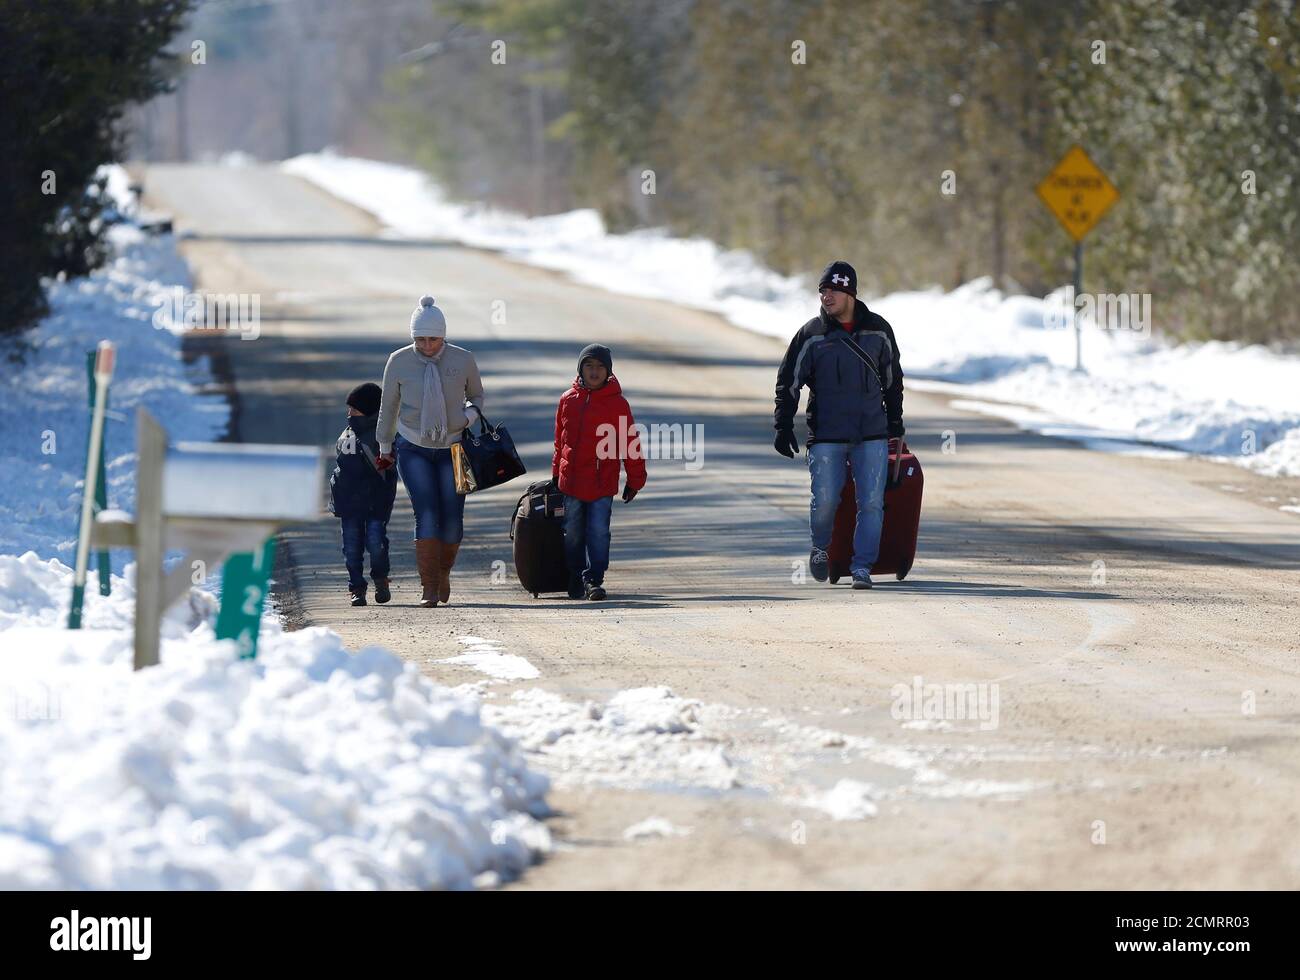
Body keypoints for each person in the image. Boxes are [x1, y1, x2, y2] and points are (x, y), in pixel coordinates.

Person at [773, 260, 904, 590]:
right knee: (826, 500)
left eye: (833, 290)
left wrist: (895, 425)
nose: (826, 296)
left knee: (872, 502)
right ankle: (820, 548)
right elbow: (788, 380)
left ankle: (862, 567)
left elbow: (892, 381)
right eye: (822, 290)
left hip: (871, 433)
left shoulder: (878, 330)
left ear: (850, 293)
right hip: (826, 435)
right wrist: (783, 425)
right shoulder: (811, 335)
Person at [375, 295, 484, 608]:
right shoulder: (398, 361)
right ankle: (429, 588)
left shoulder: (463, 359)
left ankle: (443, 571)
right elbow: (389, 406)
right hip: (412, 446)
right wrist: (385, 445)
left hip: (455, 447)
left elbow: (476, 395)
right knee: (427, 512)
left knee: (453, 518)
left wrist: (468, 417)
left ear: (444, 335)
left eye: (433, 339)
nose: (427, 346)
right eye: (420, 339)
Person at [552, 343, 647, 600]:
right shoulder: (567, 400)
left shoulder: (617, 404)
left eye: (600, 367)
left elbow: (630, 443)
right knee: (572, 530)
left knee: (597, 531)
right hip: (571, 479)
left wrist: (635, 480)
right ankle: (575, 574)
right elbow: (560, 441)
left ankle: (594, 579)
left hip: (601, 481)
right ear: (580, 369)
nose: (594, 372)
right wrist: (555, 473)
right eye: (589, 366)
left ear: (609, 372)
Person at [328, 382, 398, 606]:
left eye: (355, 410)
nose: (350, 414)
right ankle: (356, 588)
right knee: (351, 548)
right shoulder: (347, 434)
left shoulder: (384, 437)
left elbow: (390, 471)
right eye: (349, 409)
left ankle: (380, 578)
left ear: (370, 411)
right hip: (349, 502)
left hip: (376, 501)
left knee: (376, 543)